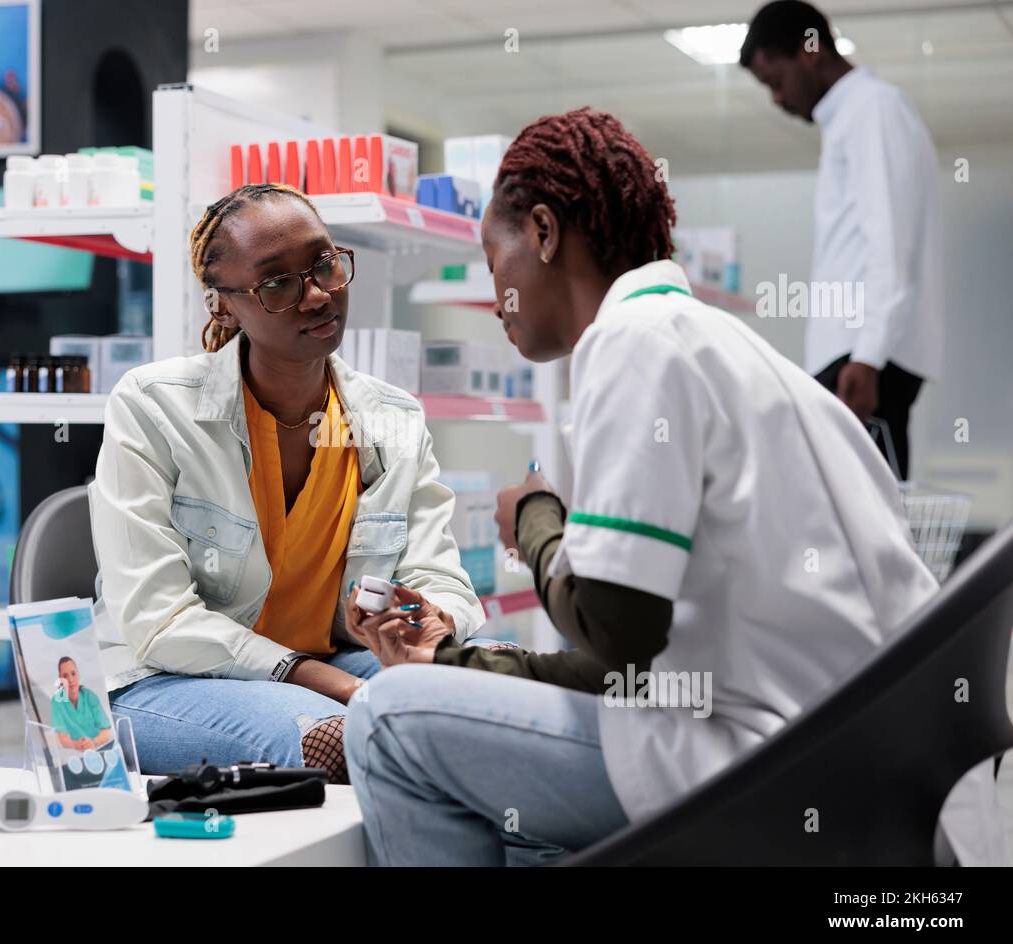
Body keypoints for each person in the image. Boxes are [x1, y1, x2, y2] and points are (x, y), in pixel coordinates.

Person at [344, 107, 945, 866]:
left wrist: (534, 520)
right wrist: (456, 661)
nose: (497, 298)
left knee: (387, 717)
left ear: (543, 231)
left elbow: (617, 642)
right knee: (519, 825)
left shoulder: (633, 344)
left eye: (495, 263)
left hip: (772, 773)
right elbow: (631, 658)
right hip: (879, 776)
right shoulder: (738, 355)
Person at [89, 183, 486, 783]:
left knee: (498, 690)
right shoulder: (153, 407)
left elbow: (441, 576)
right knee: (344, 738)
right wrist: (337, 685)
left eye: (324, 264)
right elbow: (158, 620)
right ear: (223, 306)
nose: (319, 295)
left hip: (333, 663)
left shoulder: (392, 419)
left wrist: (432, 619)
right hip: (164, 679)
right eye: (277, 283)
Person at [741, 0, 942, 479]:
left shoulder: (873, 108)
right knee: (850, 506)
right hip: (856, 354)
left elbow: (889, 239)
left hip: (864, 358)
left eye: (775, 80)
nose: (777, 99)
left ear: (810, 52)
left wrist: (868, 357)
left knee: (869, 509)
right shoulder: (852, 117)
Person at [49, 656, 113, 752]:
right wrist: (77, 745)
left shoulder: (89, 696)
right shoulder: (57, 700)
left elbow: (106, 731)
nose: (70, 679)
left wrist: (93, 743)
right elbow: (62, 737)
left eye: (73, 673)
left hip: (100, 747)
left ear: (78, 675)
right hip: (76, 752)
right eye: (65, 676)